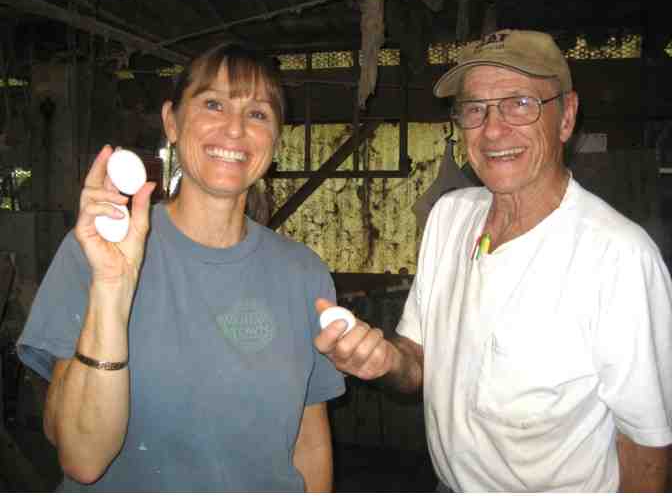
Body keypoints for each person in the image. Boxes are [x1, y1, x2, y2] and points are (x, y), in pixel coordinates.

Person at [315, 29, 672, 492]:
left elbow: (648, 442)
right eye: (475, 109)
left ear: (566, 117)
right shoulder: (450, 217)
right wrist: (384, 360)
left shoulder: (618, 256)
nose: (494, 129)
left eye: (520, 103)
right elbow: (420, 362)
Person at [17, 43, 345, 491]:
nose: (234, 130)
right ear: (172, 121)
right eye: (213, 104)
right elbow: (82, 459)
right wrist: (113, 284)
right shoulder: (94, 253)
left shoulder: (304, 273)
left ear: (275, 138)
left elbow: (308, 441)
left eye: (258, 114)